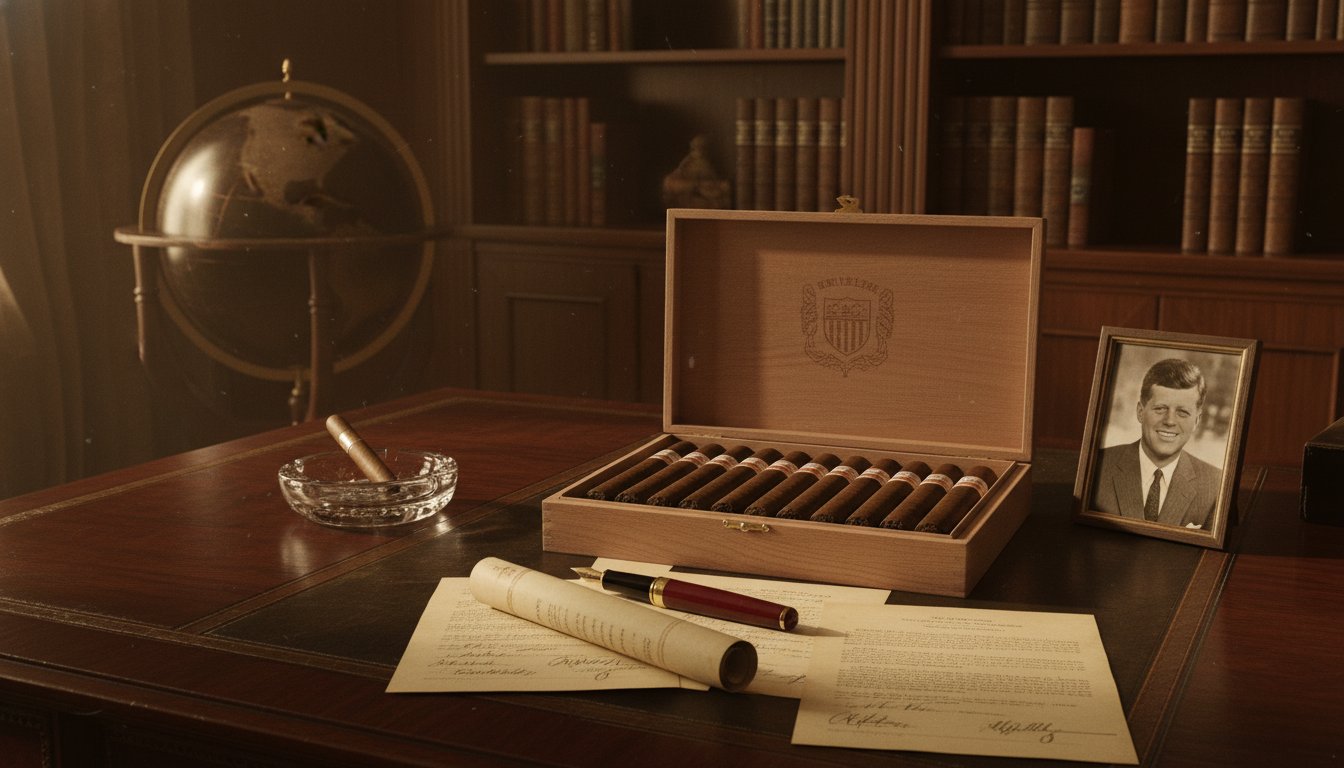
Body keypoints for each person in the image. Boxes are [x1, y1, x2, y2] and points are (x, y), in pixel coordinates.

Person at [1090, 357, 1222, 529]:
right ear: (1140, 412)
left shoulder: (1216, 485)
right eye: (1160, 409)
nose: (1169, 421)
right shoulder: (1096, 467)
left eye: (1182, 412)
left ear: (1196, 421)